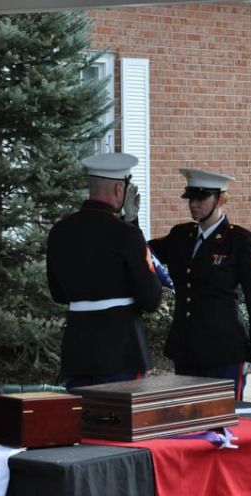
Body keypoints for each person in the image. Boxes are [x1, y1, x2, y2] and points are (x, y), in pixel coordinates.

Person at [148, 168, 251, 400]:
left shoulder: (239, 242)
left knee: (222, 417)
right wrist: (130, 219)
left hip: (224, 350)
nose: (193, 204)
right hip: (186, 348)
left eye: (201, 198)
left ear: (221, 200)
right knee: (186, 415)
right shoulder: (180, 235)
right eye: (190, 198)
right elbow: (143, 252)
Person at [46, 153, 163, 390]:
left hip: (77, 350)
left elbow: (58, 294)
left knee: (81, 413)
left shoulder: (60, 231)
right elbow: (151, 299)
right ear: (120, 188)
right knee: (120, 414)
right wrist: (133, 224)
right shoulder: (126, 233)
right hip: (121, 351)